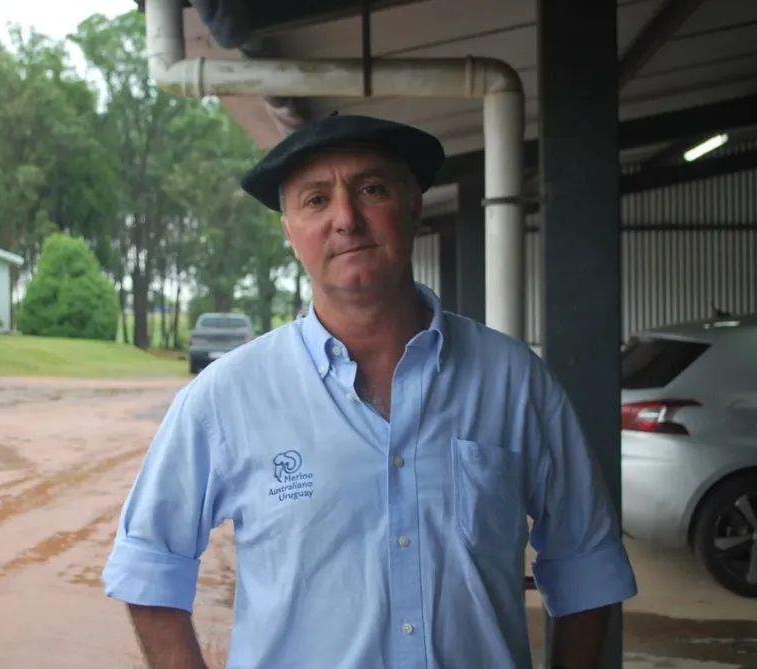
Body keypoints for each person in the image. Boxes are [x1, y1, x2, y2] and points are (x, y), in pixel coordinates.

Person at [102, 114, 638, 669]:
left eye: (371, 189)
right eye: (315, 200)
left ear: (413, 206)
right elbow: (149, 566)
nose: (346, 219)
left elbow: (586, 564)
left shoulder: (513, 382)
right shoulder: (227, 396)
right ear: (290, 233)